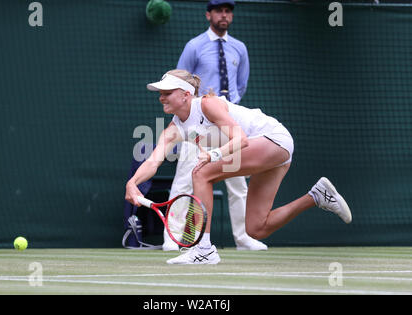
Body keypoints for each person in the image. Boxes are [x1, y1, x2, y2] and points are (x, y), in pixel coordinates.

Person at [125, 70, 352, 264]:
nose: (161, 98)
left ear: (186, 95)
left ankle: (203, 249)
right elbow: (153, 161)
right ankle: (316, 196)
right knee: (256, 228)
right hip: (270, 153)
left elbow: (241, 139)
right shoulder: (174, 128)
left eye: (167, 93)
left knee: (201, 172)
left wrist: (212, 155)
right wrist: (133, 182)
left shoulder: (207, 104)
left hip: (273, 139)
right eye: (160, 94)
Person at [162, 0, 266, 251]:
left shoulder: (239, 49)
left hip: (226, 122)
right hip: (198, 123)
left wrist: (223, 109)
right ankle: (171, 238)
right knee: (185, 179)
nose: (224, 15)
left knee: (238, 185)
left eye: (228, 11)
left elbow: (240, 85)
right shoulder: (194, 46)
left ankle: (243, 238)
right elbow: (180, 83)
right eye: (219, 11)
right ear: (208, 14)